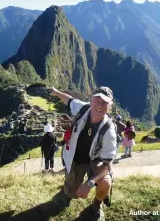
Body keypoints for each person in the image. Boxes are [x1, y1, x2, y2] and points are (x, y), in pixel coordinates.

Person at [50, 86, 117, 221]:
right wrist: (57, 92)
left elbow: (106, 163)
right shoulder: (84, 108)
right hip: (76, 157)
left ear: (110, 106)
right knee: (71, 193)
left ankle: (97, 205)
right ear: (91, 100)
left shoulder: (109, 131)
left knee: (105, 183)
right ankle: (68, 191)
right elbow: (70, 100)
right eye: (96, 100)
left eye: (104, 102)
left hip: (95, 161)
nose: (99, 105)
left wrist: (89, 183)